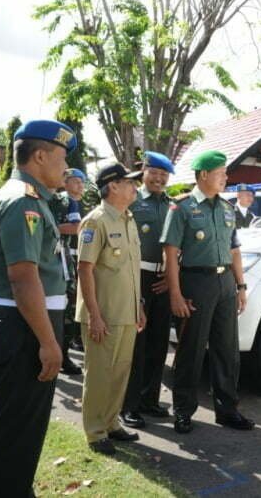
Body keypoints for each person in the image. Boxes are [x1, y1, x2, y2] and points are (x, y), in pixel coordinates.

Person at [0, 119, 77, 497]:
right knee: (15, 430)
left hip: (28, 323)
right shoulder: (24, 201)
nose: (66, 167)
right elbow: (23, 279)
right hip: (24, 327)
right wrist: (48, 342)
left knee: (22, 429)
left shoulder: (30, 197)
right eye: (62, 157)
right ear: (39, 156)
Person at [161, 150, 253, 434]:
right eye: (220, 173)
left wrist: (240, 286)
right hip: (196, 282)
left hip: (225, 283)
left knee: (227, 351)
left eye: (225, 173)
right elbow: (170, 253)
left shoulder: (226, 208)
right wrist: (175, 295)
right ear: (203, 175)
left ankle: (227, 410)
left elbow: (234, 250)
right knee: (191, 350)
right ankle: (183, 411)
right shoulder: (182, 208)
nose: (226, 177)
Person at [76, 162, 145, 455]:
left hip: (126, 312)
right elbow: (84, 269)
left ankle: (111, 422)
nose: (135, 187)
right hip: (103, 314)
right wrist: (94, 315)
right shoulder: (96, 221)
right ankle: (95, 432)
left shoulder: (128, 219)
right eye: (129, 182)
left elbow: (130, 269)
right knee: (100, 374)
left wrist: (139, 305)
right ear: (113, 186)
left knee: (119, 372)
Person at [120, 152, 174, 428]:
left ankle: (149, 400)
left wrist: (171, 276)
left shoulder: (171, 205)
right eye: (155, 173)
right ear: (144, 172)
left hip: (164, 279)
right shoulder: (132, 200)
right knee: (135, 345)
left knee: (158, 343)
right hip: (136, 276)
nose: (159, 179)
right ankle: (128, 406)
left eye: (164, 175)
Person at [48, 168, 87, 375]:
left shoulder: (71, 201)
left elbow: (75, 226)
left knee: (67, 308)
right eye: (75, 181)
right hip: (61, 258)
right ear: (65, 182)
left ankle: (62, 353)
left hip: (66, 258)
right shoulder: (65, 200)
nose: (80, 185)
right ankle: (61, 355)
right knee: (67, 308)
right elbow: (75, 227)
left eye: (82, 182)